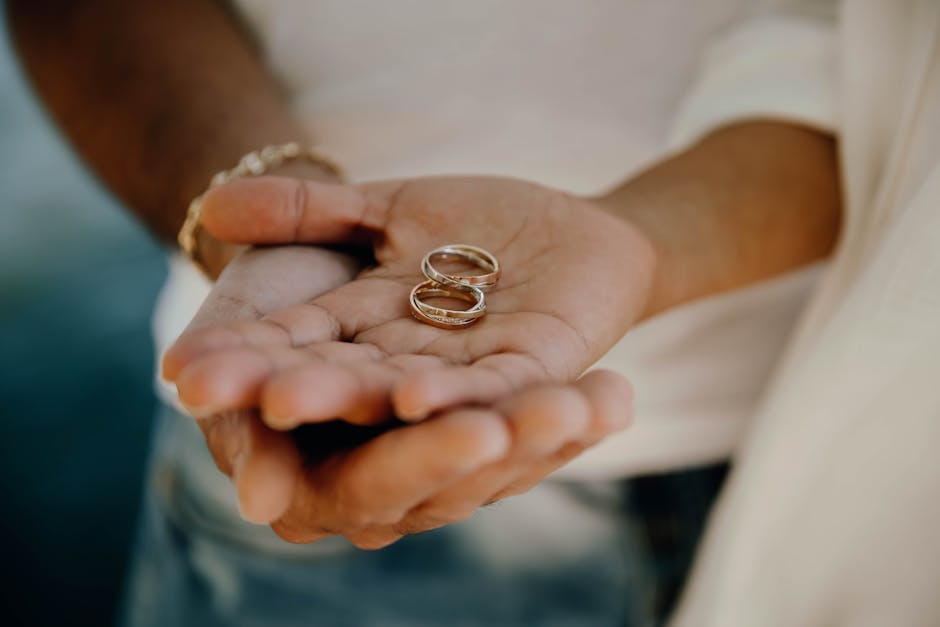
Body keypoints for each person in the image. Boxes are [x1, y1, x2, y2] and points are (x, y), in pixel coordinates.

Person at [12, 0, 938, 625]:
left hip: (825, 441)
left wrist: (640, 240)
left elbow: (860, 53)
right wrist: (274, 208)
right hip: (316, 400)